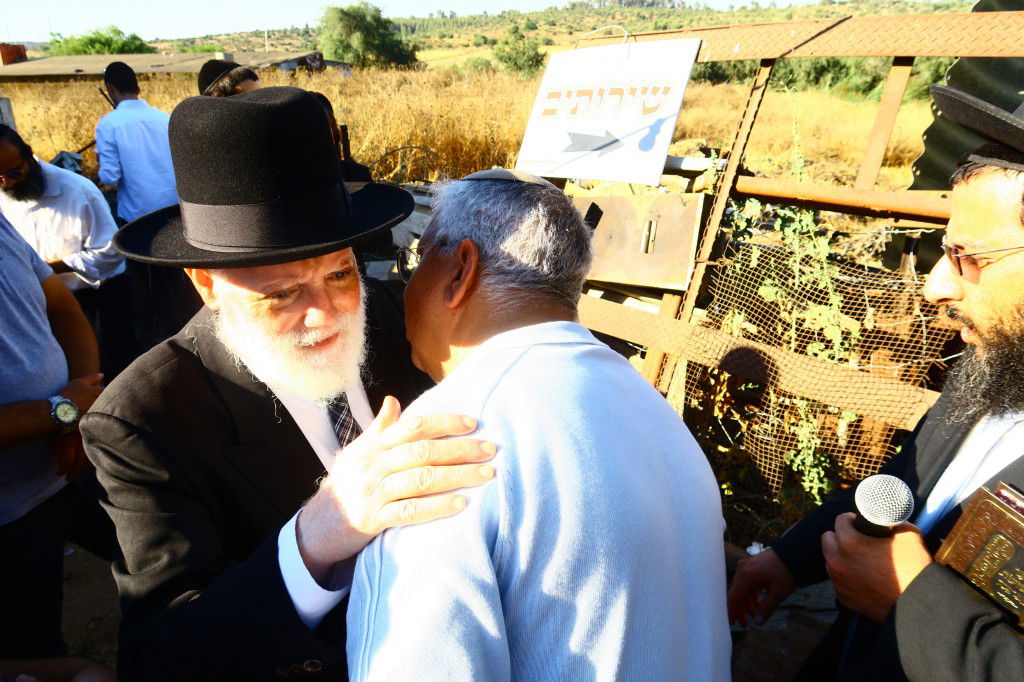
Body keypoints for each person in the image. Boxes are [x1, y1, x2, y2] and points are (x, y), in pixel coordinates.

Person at [80, 87, 496, 681]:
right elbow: (158, 656)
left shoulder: (384, 311)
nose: (326, 313)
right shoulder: (144, 420)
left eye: (340, 272)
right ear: (206, 284)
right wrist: (317, 534)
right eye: (280, 294)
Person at [345, 169, 732, 680]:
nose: (406, 286)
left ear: (460, 271)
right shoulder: (652, 408)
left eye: (417, 263)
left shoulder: (448, 442)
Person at [728, 85, 1024, 680]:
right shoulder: (998, 365)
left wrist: (911, 603)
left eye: (969, 259)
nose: (937, 286)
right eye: (945, 252)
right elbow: (912, 483)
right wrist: (791, 558)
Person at [0, 212, 110, 672]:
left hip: (74, 461)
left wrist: (72, 421)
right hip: (10, 510)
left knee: (174, 562)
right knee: (35, 657)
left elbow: (63, 307)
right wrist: (61, 413)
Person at [0, 125, 133, 378]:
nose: (7, 183)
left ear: (30, 156)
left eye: (14, 172)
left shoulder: (77, 190)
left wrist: (47, 268)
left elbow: (111, 252)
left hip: (97, 299)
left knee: (110, 371)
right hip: (44, 301)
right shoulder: (3, 195)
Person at [97, 60, 199, 352]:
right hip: (174, 212)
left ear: (111, 88)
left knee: (144, 290)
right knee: (180, 283)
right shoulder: (163, 118)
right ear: (137, 85)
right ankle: (188, 332)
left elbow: (109, 176)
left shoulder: (109, 124)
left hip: (137, 219)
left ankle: (156, 345)